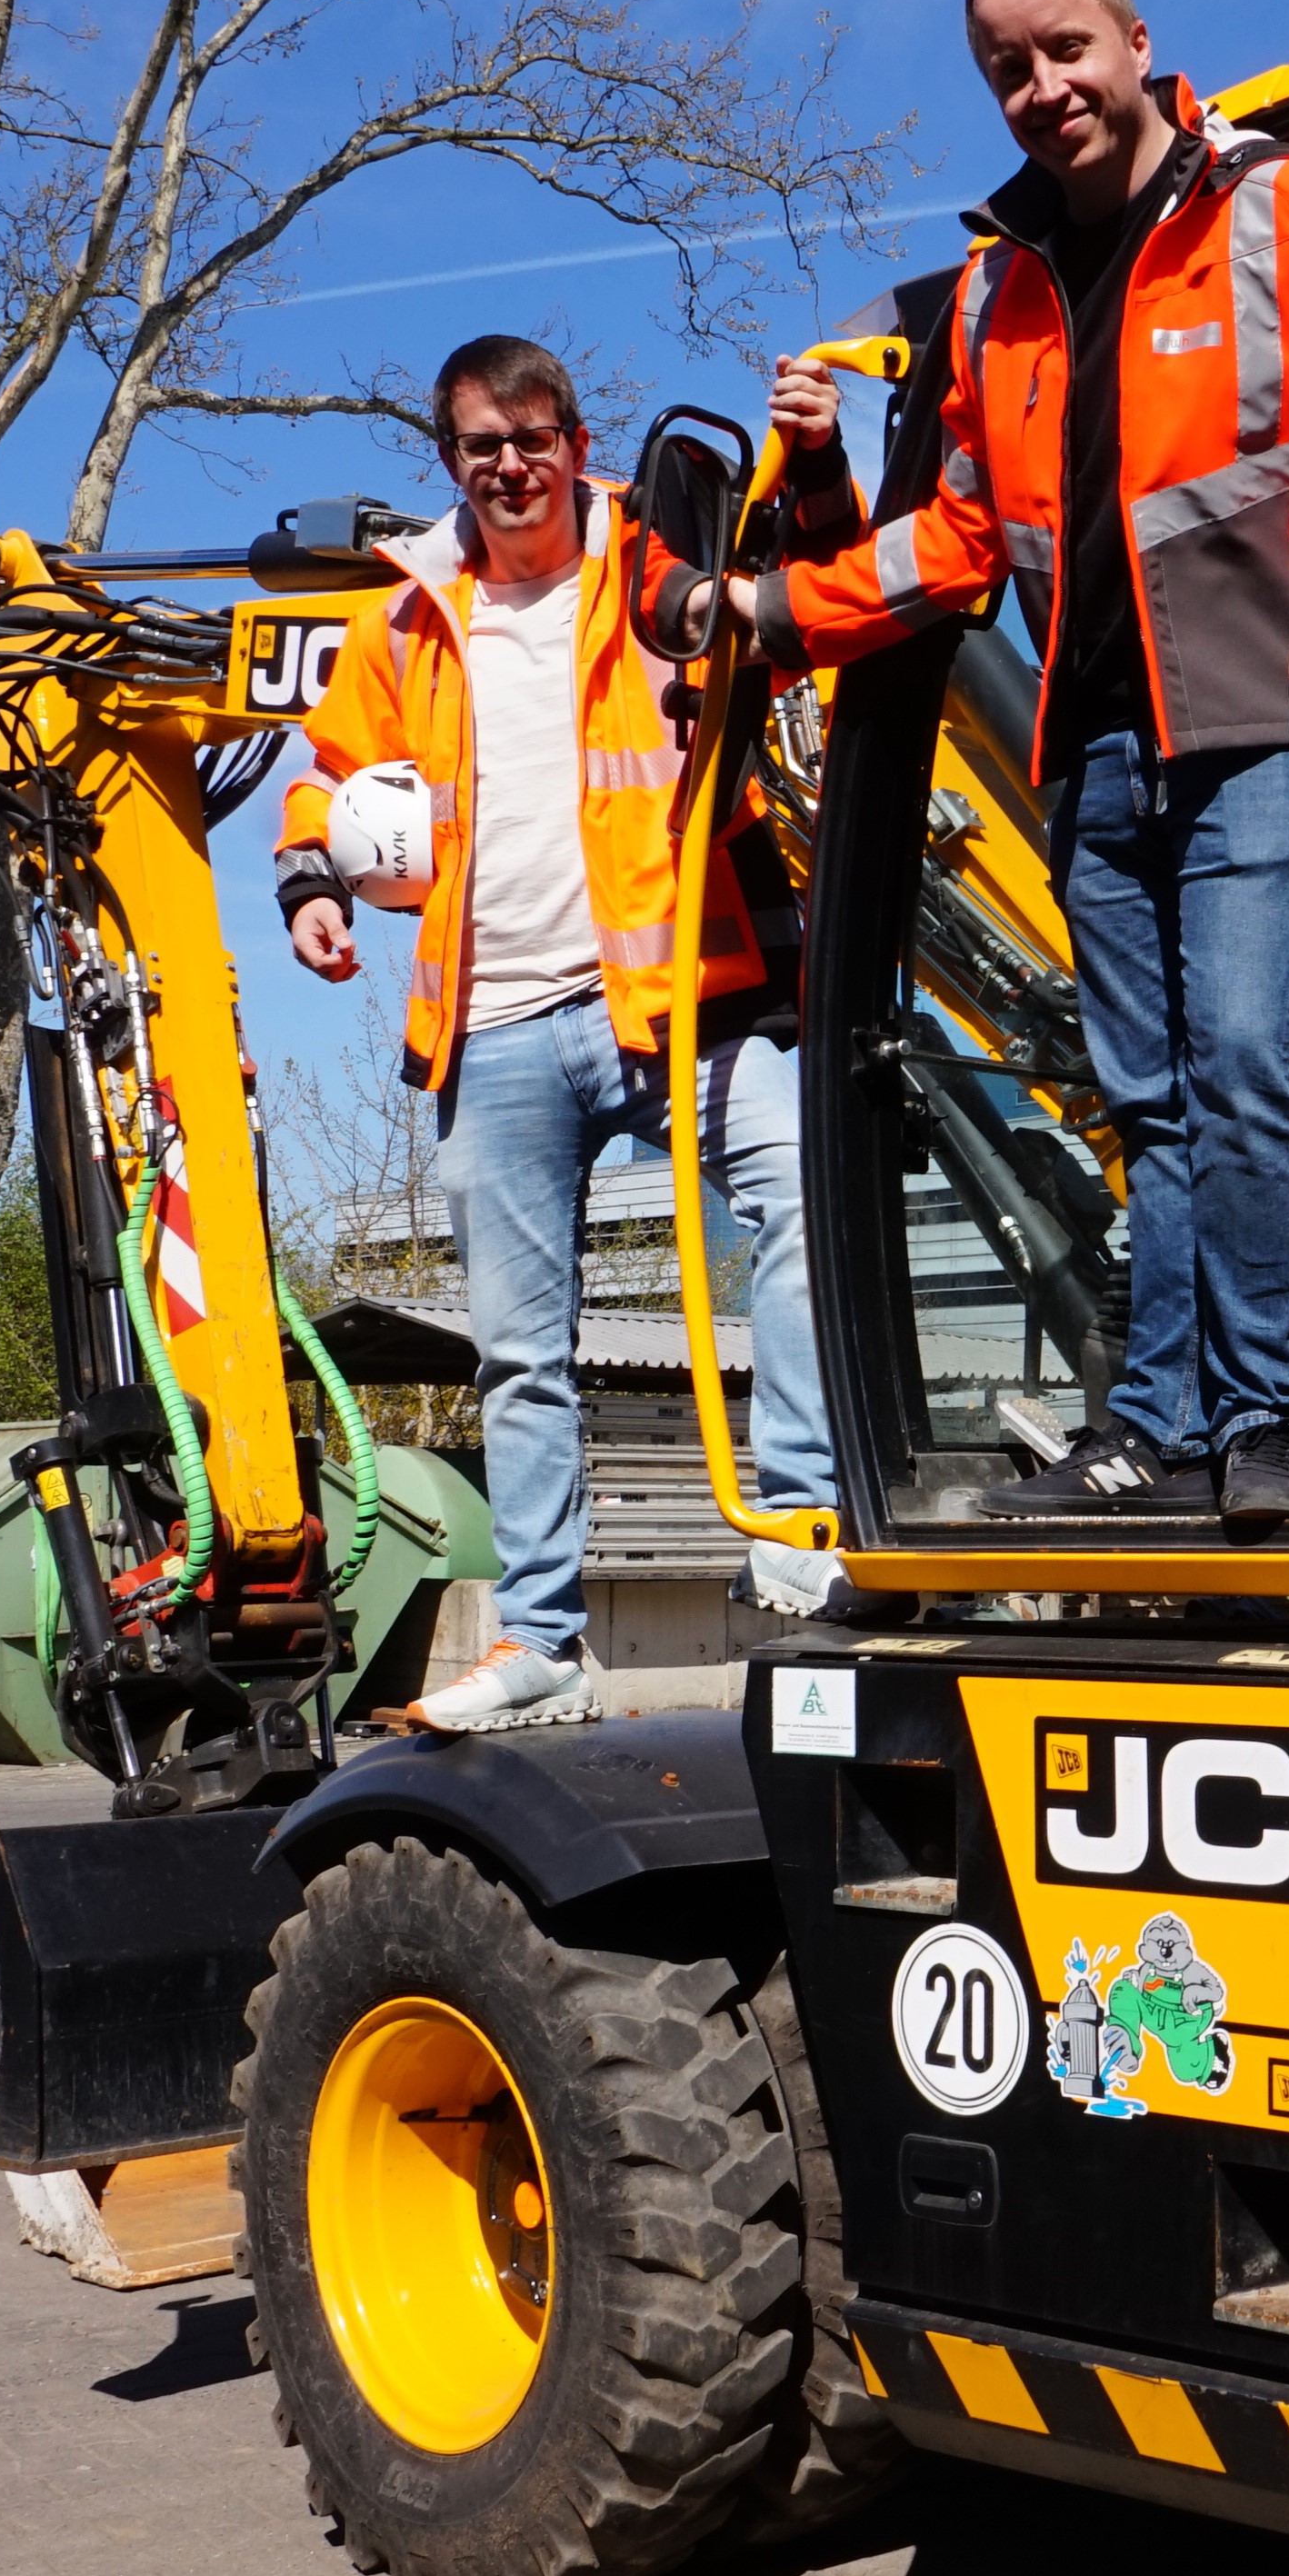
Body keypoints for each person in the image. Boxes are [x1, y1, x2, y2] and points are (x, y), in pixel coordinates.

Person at [720, 0, 1289, 1527]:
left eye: (1067, 48)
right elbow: (954, 541)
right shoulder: (998, 295)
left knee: (1240, 1064)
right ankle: (1158, 1426)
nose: (1044, 85)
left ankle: (1264, 1419)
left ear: (1136, 43)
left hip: (1254, 735)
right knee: (1145, 1102)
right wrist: (769, 610)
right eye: (1009, 67)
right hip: (1095, 760)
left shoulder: (1285, 209)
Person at [275, 332, 844, 1731]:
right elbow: (329, 773)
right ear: (451, 460)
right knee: (520, 1352)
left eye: (534, 440)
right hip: (497, 1027)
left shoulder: (657, 560)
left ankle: (800, 1522)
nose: (511, 466)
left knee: (803, 1201)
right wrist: (310, 883)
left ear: (577, 446)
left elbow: (804, 611)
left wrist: (819, 464)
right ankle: (540, 1644)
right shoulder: (407, 616)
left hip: (678, 997)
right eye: (483, 446)